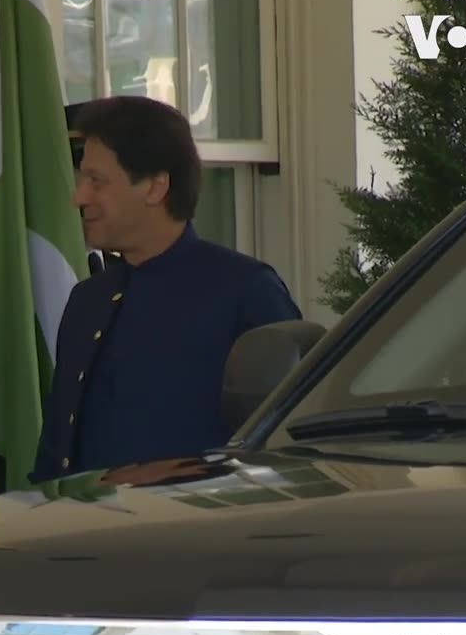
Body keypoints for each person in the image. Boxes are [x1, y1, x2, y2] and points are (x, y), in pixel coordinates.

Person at [30, 95, 302, 484]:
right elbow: (57, 456)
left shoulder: (243, 292)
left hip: (192, 535)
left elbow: (284, 447)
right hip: (80, 534)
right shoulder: (88, 300)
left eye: (97, 181)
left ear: (156, 186)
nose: (80, 197)